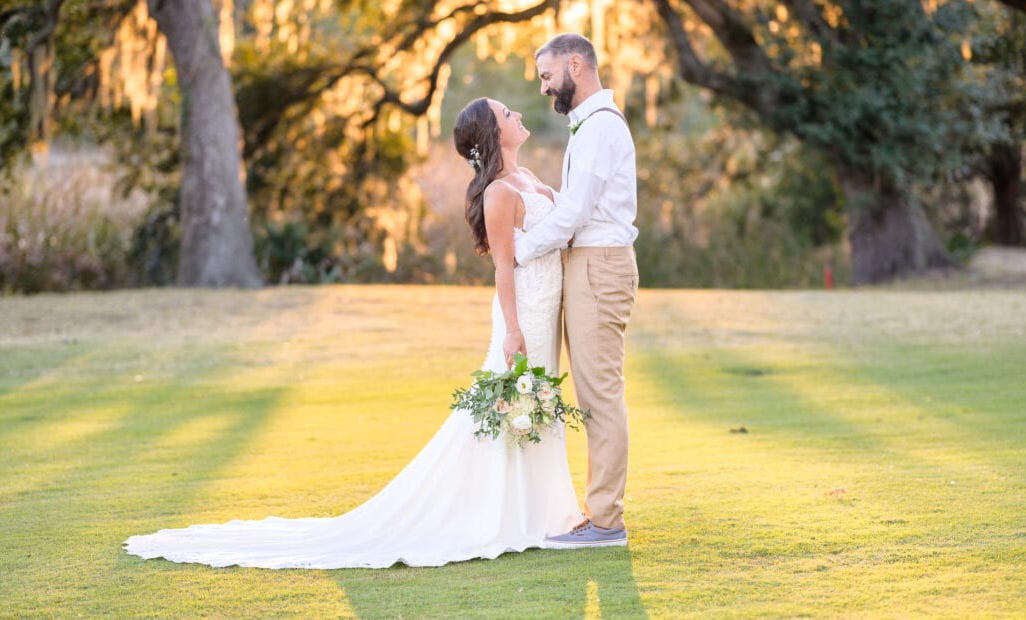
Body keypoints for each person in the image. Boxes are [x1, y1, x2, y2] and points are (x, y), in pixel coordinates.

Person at [123, 97, 582, 569]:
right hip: (523, 313)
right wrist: (511, 329)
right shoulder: (499, 193)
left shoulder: (531, 179)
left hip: (547, 311)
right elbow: (503, 266)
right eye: (508, 115)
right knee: (512, 406)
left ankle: (543, 508)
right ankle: (501, 514)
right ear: (492, 134)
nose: (519, 116)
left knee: (537, 403)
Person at [514, 32, 639, 549]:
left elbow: (575, 215)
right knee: (592, 393)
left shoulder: (600, 129)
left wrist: (520, 250)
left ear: (575, 65)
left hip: (599, 267)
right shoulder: (588, 127)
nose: (545, 88)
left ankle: (606, 521)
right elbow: (572, 203)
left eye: (548, 76)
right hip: (587, 264)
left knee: (599, 395)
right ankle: (600, 513)